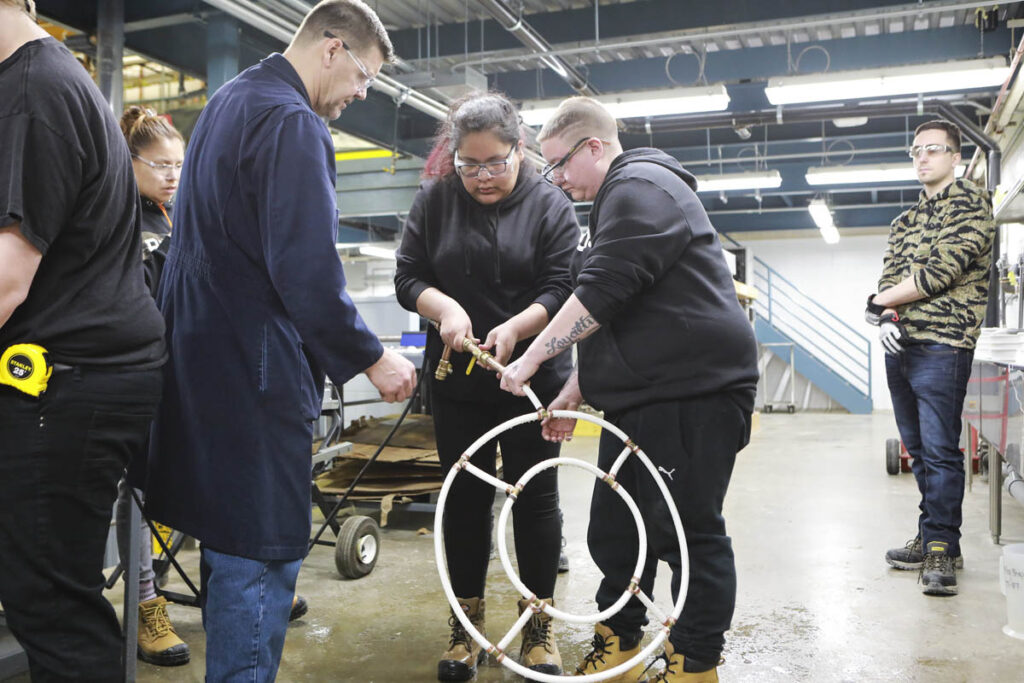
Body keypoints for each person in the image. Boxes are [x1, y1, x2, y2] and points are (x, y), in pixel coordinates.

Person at [142, 1, 416, 679]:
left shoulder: (229, 102)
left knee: (228, 544)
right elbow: (306, 270)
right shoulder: (295, 123)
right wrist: (372, 356)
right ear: (331, 48)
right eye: (364, 77)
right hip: (255, 371)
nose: (361, 94)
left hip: (204, 361)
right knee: (260, 555)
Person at [500, 96, 759, 683]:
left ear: (594, 146)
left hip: (693, 394)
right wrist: (575, 387)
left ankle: (694, 662)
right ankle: (619, 638)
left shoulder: (642, 186)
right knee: (616, 529)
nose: (557, 180)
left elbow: (604, 293)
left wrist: (534, 358)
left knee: (685, 532)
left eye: (560, 165)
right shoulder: (613, 205)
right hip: (638, 399)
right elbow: (621, 315)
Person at [0, 1, 167, 680]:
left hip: (65, 383)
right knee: (52, 591)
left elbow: (8, 277)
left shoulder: (33, 91)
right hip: (81, 374)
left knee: (54, 607)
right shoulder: (50, 80)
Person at [395, 91, 579, 681]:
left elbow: (561, 287)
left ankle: (538, 628)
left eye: (495, 162)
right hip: (459, 378)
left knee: (535, 496)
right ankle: (465, 630)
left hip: (535, 375)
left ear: (519, 149)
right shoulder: (434, 200)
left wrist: (519, 327)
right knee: (465, 501)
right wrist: (443, 308)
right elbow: (408, 276)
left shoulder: (551, 204)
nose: (482, 177)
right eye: (468, 165)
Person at [868, 119, 995, 596]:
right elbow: (891, 276)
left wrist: (881, 304)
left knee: (942, 451)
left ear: (955, 158)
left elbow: (941, 270)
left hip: (944, 344)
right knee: (918, 449)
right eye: (916, 151)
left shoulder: (972, 204)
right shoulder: (904, 221)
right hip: (901, 345)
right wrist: (885, 318)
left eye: (934, 150)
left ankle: (942, 547)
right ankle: (930, 537)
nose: (922, 158)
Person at [113, 105, 190, 667]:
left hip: (179, 372)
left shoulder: (173, 219)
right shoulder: (114, 216)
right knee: (132, 493)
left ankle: (224, 586)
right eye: (159, 164)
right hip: (129, 373)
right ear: (129, 159)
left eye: (179, 165)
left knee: (179, 480)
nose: (171, 175)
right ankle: (144, 605)